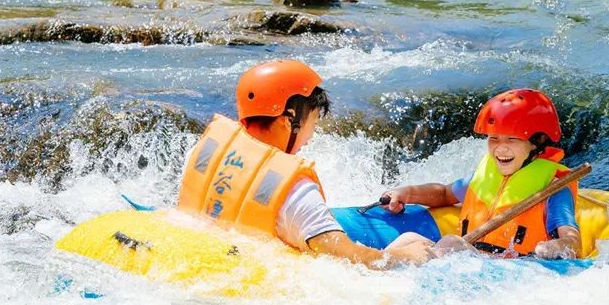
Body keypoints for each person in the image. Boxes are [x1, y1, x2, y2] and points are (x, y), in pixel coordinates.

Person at [177, 59, 429, 268]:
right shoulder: (295, 192)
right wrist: (408, 257)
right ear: (289, 120)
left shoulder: (202, 153)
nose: (311, 135)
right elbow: (345, 257)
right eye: (314, 122)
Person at [381, 88, 582, 260]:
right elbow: (444, 194)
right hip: (473, 260)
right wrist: (405, 193)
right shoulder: (486, 175)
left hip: (515, 268)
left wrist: (557, 245)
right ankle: (374, 267)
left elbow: (572, 241)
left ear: (536, 143)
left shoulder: (553, 187)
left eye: (511, 139)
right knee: (409, 238)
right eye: (494, 139)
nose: (500, 149)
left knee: (452, 242)